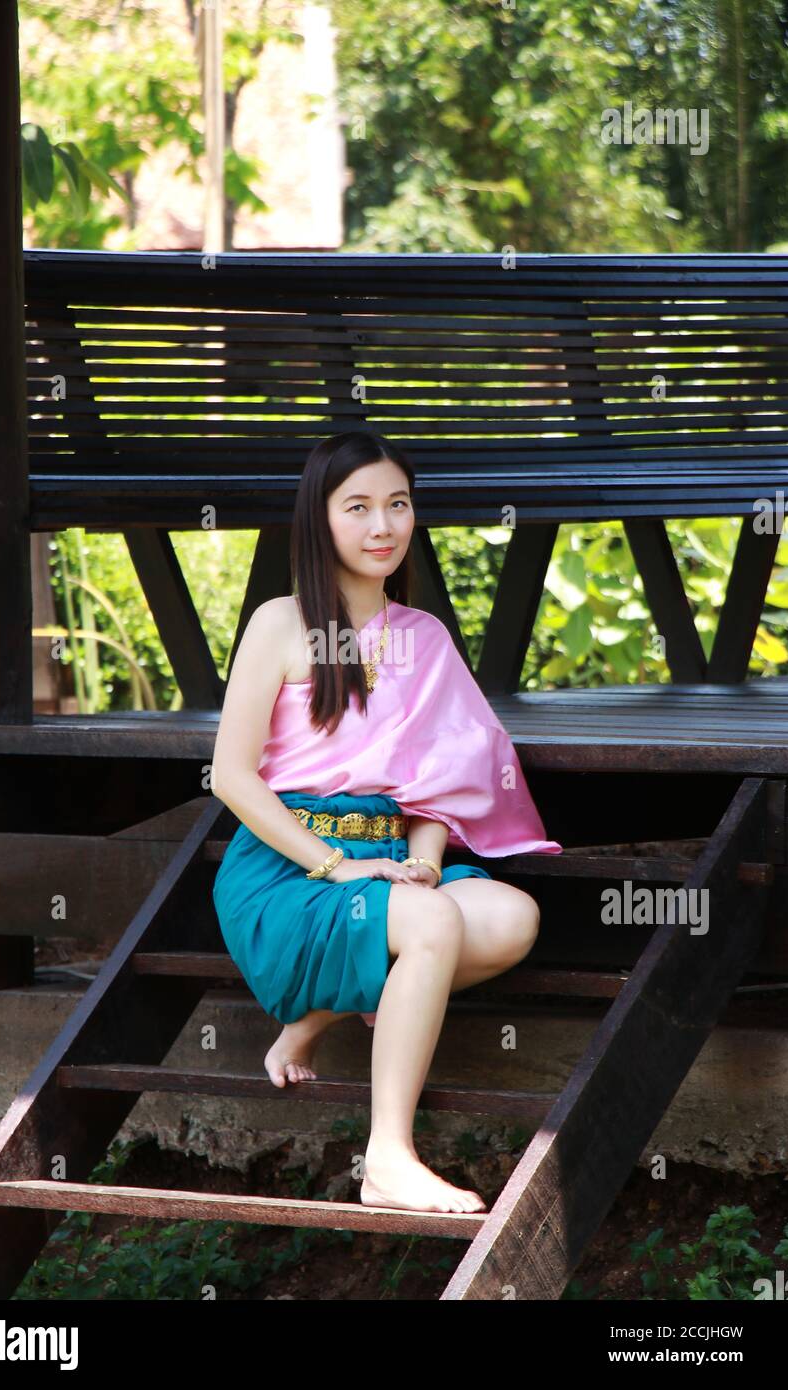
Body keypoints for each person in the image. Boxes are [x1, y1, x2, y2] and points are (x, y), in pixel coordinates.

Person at [212, 429, 561, 1215]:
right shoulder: (280, 623)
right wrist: (336, 866)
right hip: (289, 872)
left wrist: (426, 863)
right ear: (319, 519)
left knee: (510, 916)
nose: (383, 527)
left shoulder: (424, 637)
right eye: (358, 507)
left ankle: (310, 1021)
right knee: (431, 924)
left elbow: (441, 784)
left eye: (397, 505)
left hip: (394, 865)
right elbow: (234, 778)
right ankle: (389, 1158)